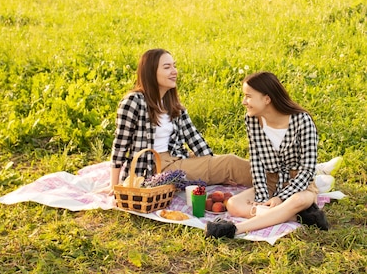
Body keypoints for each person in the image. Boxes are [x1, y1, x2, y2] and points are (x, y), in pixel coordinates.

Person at [205, 72, 330, 239]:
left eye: (248, 97)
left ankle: (235, 229)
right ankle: (303, 217)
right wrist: (262, 196)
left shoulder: (302, 121)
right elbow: (256, 161)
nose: (244, 102)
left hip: (301, 184)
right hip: (271, 181)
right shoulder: (252, 120)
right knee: (233, 204)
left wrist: (281, 197)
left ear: (267, 99)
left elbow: (307, 170)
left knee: (297, 201)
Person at [109, 48, 253, 192]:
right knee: (229, 163)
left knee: (224, 163)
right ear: (151, 72)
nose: (174, 71)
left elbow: (195, 139)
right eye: (167, 67)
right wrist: (113, 185)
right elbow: (120, 145)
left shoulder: (172, 104)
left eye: (174, 66)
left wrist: (213, 164)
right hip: (154, 168)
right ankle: (271, 184)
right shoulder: (134, 101)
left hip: (176, 157)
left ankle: (271, 179)